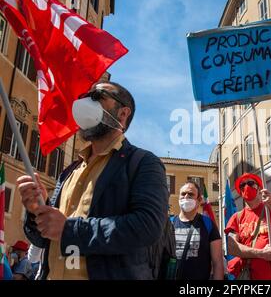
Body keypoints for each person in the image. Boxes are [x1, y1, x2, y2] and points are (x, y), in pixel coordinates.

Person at [17, 81, 169, 280]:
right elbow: (44, 239)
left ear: (123, 114)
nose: (87, 102)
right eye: (85, 97)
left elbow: (147, 226)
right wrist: (37, 210)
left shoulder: (143, 163)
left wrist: (69, 229)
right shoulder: (69, 172)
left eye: (97, 96)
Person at [225, 173, 271, 280]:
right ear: (240, 192)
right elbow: (232, 248)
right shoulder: (236, 218)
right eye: (243, 185)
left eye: (251, 183)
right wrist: (261, 253)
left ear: (260, 188)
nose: (247, 187)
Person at [171, 181, 224, 280]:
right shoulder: (169, 224)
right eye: (183, 194)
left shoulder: (208, 224)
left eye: (190, 194)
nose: (186, 196)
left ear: (199, 200)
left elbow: (217, 262)